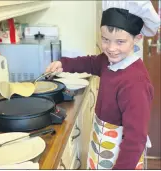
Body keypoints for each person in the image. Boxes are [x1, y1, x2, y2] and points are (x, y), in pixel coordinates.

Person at [46, 1, 160, 169]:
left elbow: (135, 140)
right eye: (106, 39)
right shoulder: (108, 60)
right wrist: (63, 64)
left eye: (120, 42)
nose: (111, 48)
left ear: (137, 38)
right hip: (101, 148)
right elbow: (91, 63)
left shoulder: (135, 83)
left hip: (122, 160)